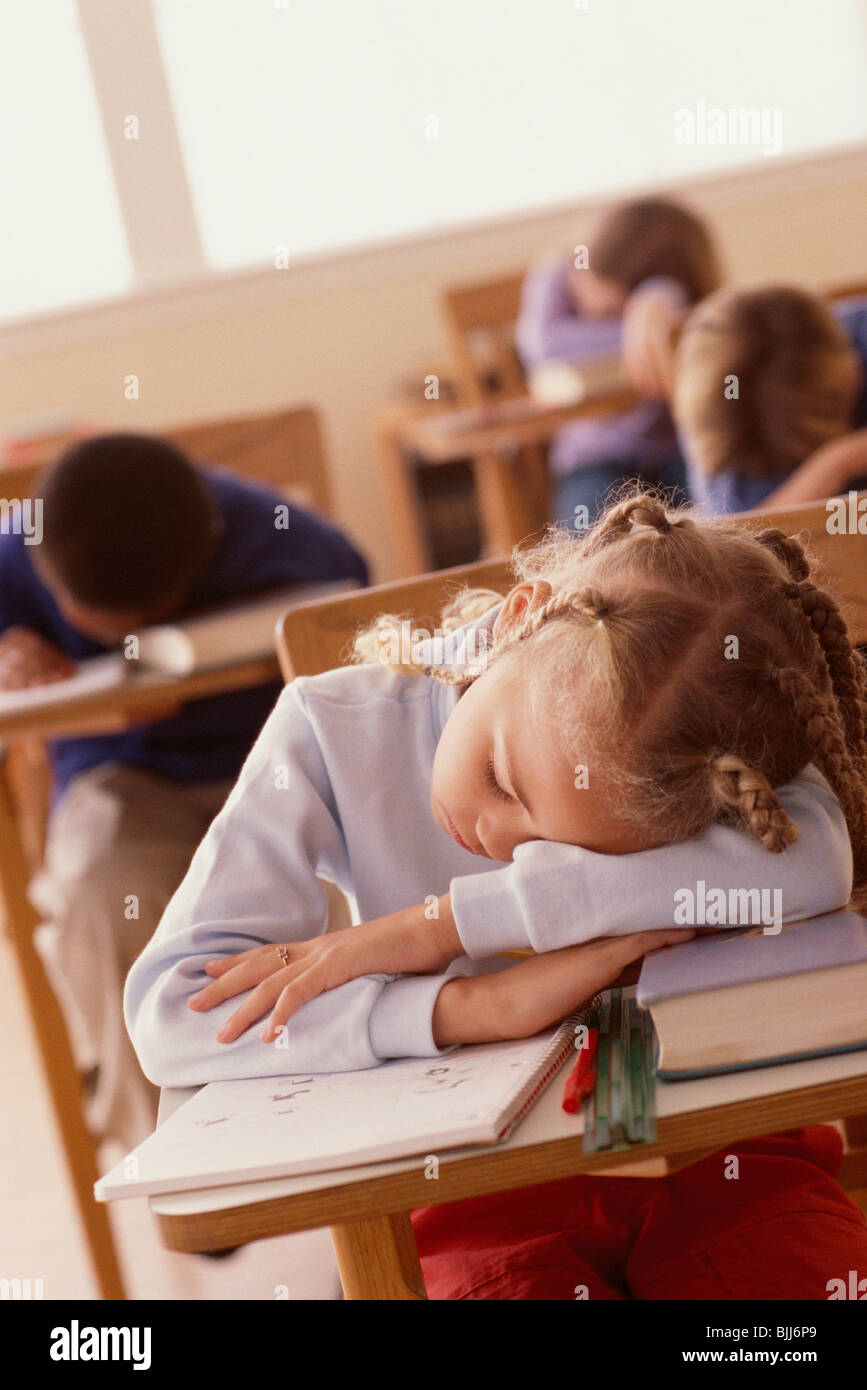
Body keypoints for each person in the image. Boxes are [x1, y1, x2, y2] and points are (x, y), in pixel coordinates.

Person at [126, 491, 867, 1298]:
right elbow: (174, 1013)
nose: (499, 842)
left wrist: (441, 925)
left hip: (727, 1161)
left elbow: (813, 863)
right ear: (519, 617)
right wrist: (465, 1007)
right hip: (467, 1195)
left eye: (567, 852)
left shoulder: (703, 726)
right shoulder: (333, 730)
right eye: (498, 779)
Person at [0, 432, 369, 1151]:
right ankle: (174, 1141)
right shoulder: (20, 551)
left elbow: (357, 626)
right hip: (126, 779)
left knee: (360, 885)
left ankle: (349, 1122)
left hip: (273, 768)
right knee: (103, 893)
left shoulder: (285, 541)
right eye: (102, 629)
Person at [515, 198, 722, 528]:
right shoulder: (561, 272)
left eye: (617, 312)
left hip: (678, 450)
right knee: (593, 543)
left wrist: (664, 297)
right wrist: (641, 330)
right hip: (596, 460)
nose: (596, 314)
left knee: (718, 524)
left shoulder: (678, 298)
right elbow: (545, 353)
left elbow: (705, 330)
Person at [673, 285, 867, 513]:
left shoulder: (853, 341)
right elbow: (744, 529)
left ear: (856, 377)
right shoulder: (719, 422)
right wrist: (838, 462)